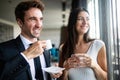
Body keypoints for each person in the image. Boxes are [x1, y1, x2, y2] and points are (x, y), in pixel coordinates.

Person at [0, 1, 62, 80]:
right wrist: (26, 55)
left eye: (41, 19)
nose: (39, 25)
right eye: (33, 19)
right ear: (20, 22)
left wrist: (52, 75)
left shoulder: (45, 50)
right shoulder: (3, 49)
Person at [59, 8, 107, 80]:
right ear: (73, 22)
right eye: (80, 19)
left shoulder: (98, 45)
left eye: (87, 19)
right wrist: (65, 70)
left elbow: (105, 78)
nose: (85, 22)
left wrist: (94, 65)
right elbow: (62, 78)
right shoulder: (63, 48)